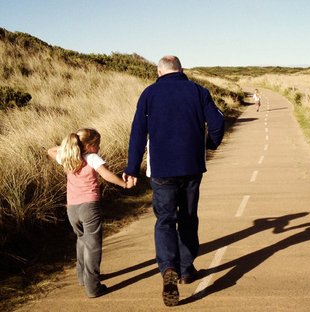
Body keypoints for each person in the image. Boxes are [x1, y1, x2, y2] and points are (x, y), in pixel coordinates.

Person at [123, 55, 225, 307]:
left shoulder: (149, 94)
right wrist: (209, 144)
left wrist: (132, 168)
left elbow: (137, 133)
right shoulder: (198, 91)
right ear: (181, 69)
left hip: (161, 170)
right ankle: (187, 268)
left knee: (165, 220)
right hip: (191, 167)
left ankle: (168, 268)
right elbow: (217, 122)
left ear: (159, 71)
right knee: (188, 217)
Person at [47, 128, 129, 298]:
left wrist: (69, 147)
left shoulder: (68, 157)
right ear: (90, 145)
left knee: (82, 240)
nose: (99, 147)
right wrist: (124, 184)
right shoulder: (92, 157)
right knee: (93, 246)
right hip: (89, 207)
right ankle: (93, 287)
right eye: (97, 144)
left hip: (72, 209)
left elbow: (50, 151)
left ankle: (82, 277)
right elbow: (106, 175)